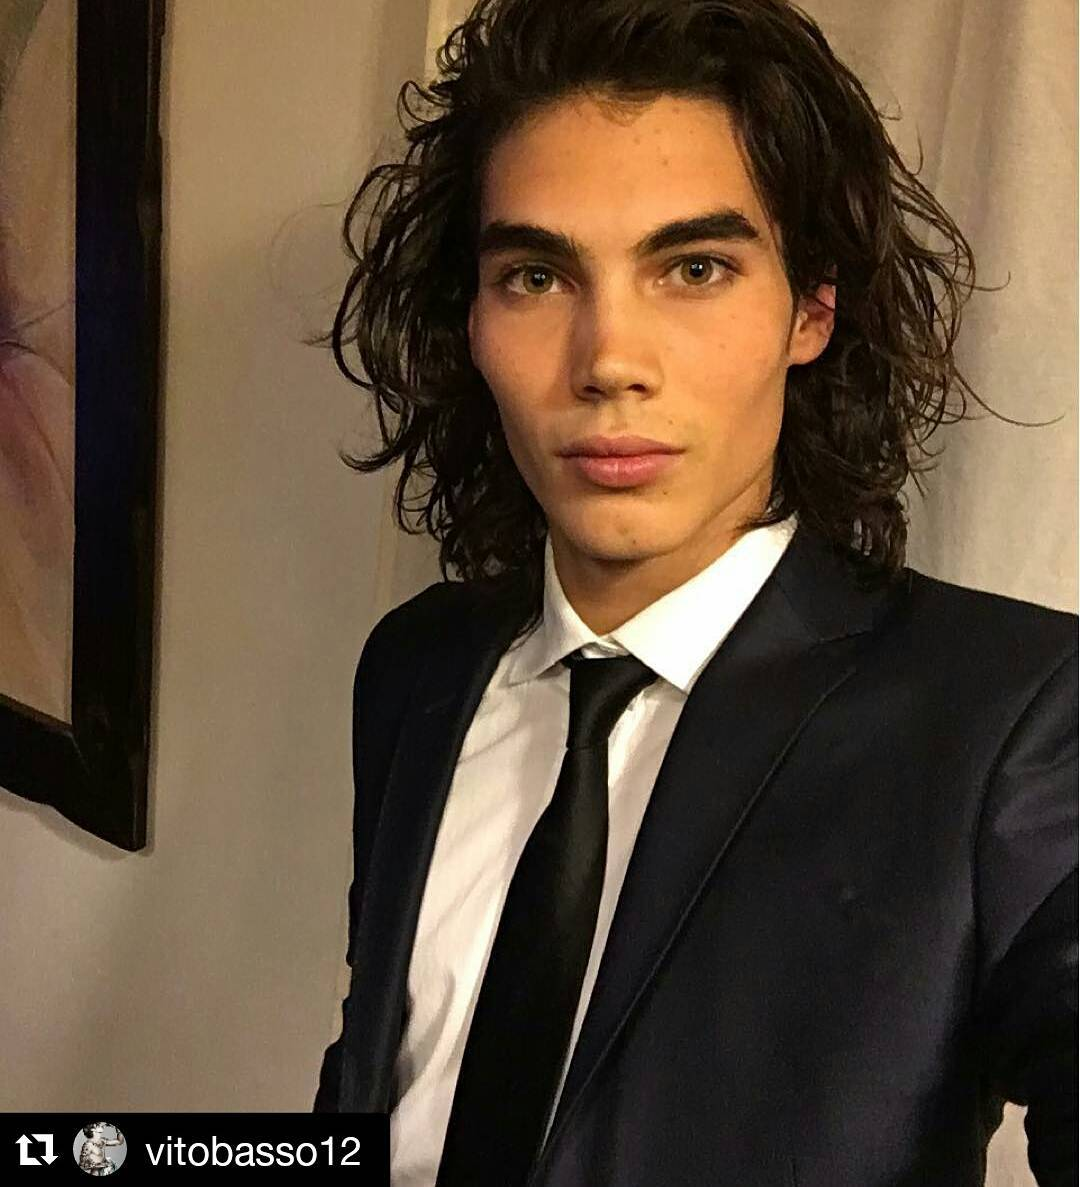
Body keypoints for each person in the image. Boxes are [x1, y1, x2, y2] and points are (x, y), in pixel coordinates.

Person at [312, 2, 1077, 1185]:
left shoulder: (1012, 717)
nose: (609, 358)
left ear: (810, 308)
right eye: (536, 275)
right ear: (470, 317)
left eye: (695, 268)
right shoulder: (417, 665)